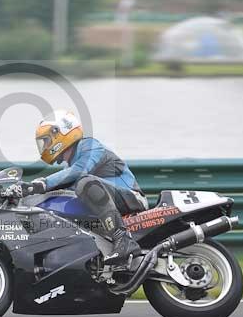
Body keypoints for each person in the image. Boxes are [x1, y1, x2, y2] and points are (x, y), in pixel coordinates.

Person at [20, 109, 148, 265]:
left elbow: (79, 172)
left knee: (85, 183)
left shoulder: (90, 145)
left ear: (60, 133)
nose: (45, 146)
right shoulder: (70, 166)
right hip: (109, 205)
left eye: (46, 140)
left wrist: (41, 183)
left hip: (131, 199)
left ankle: (123, 238)